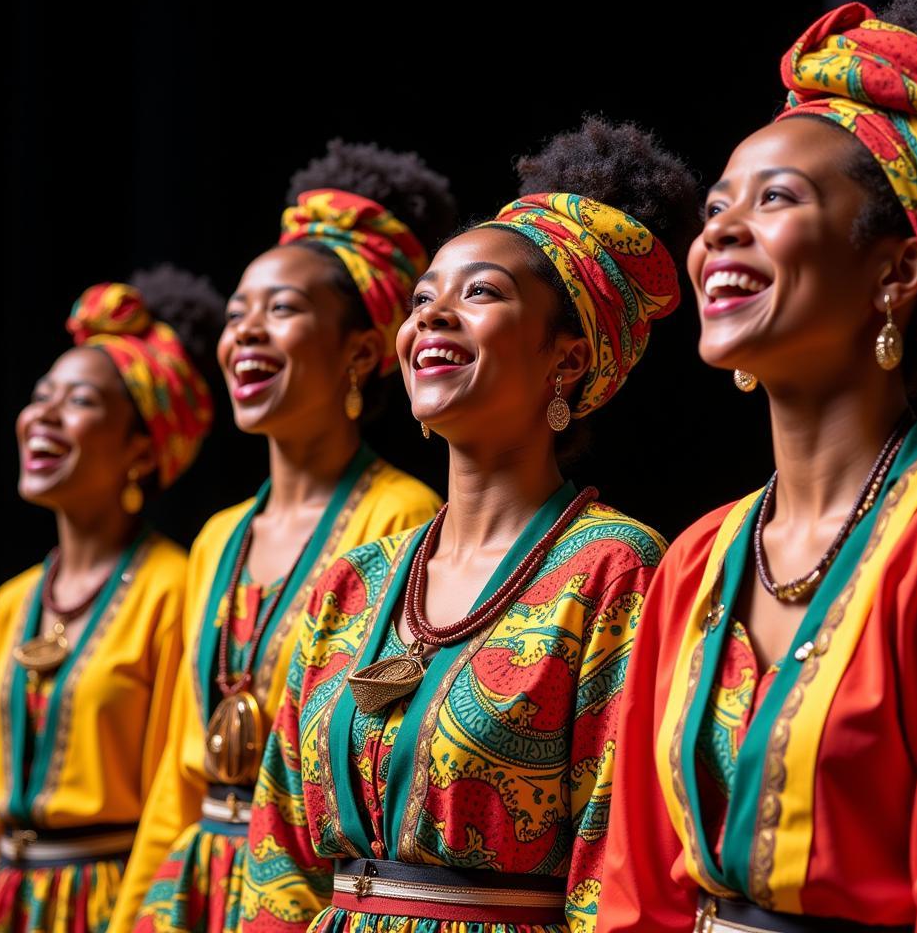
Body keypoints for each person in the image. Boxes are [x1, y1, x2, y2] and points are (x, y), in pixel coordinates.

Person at [598, 0, 917, 933]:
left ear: (897, 273)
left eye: (776, 199)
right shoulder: (697, 559)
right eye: (715, 208)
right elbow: (635, 890)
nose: (718, 235)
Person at [241, 118, 701, 933]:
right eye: (422, 301)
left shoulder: (615, 570)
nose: (433, 318)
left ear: (567, 358)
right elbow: (278, 857)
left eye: (480, 292)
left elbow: (614, 866)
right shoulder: (357, 578)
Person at [111, 141, 452, 933]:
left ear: (363, 353)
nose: (247, 334)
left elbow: (374, 765)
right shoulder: (216, 538)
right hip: (193, 881)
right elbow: (175, 766)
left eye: (282, 310)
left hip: (306, 888)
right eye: (236, 316)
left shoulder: (403, 519)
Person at [0, 268, 220, 933]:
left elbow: (166, 801)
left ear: (143, 450)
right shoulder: (12, 602)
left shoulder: (171, 589)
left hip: (108, 900)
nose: (42, 416)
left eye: (80, 402)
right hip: (8, 898)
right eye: (41, 395)